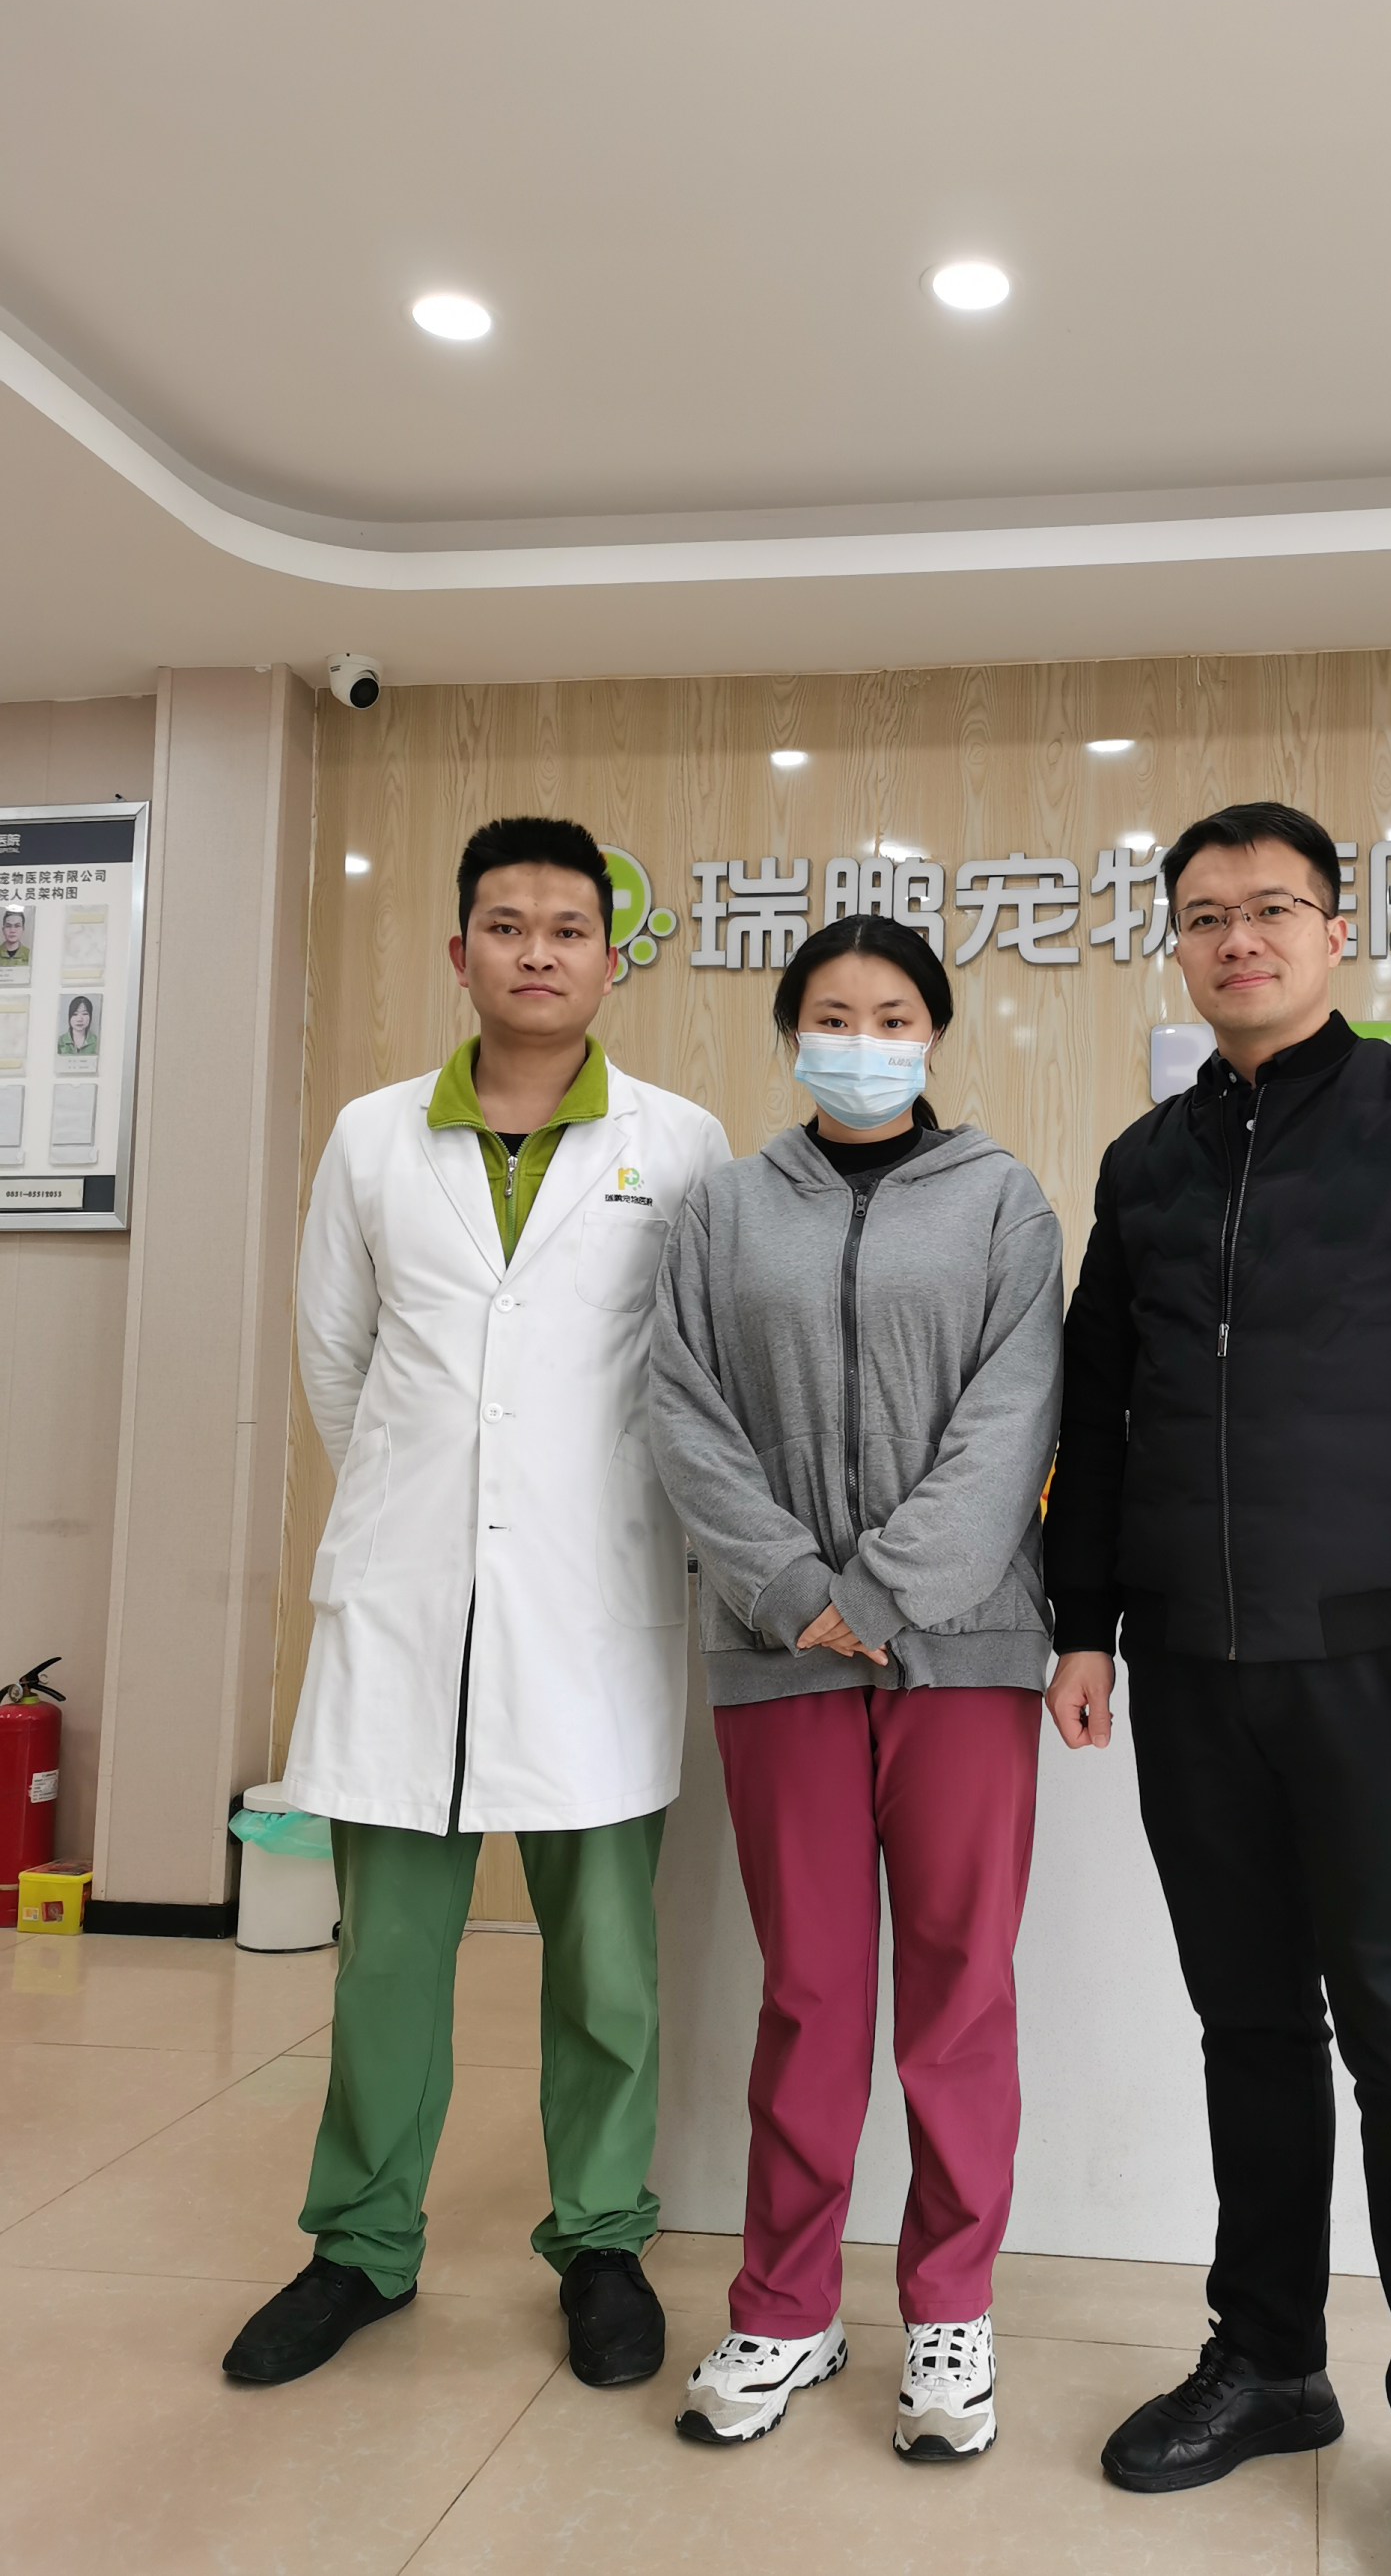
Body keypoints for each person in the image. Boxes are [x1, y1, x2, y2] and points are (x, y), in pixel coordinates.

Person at [1043, 801, 1391, 2576]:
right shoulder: (1148, 1158)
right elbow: (1099, 1401)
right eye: (1206, 914)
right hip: (1193, 1665)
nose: (1239, 937)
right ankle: (1270, 2357)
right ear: (1178, 946)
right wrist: (1085, 1619)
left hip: (1379, 1659)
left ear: (1336, 930)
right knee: (1249, 2028)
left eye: (1273, 907)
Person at [223, 816, 729, 2391]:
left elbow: (701, 1365)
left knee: (606, 1965)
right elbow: (337, 1355)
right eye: (506, 926)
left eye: (567, 928)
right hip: (409, 1601)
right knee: (387, 1960)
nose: (536, 952)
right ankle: (361, 2244)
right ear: (460, 952)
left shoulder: (680, 1142)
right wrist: (431, 1498)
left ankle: (602, 2240)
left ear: (608, 958)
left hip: (594, 1606)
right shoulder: (374, 1136)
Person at [648, 914, 1063, 2462]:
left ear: (933, 1034)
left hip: (965, 1650)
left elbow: (1016, 1413)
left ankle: (950, 2309)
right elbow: (682, 1407)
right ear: (792, 1032)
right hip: (781, 1658)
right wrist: (790, 1587)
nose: (864, 1039)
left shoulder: (1004, 1201)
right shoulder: (724, 1208)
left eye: (894, 1015)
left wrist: (881, 1588)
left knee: (958, 1992)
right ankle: (785, 2305)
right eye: (834, 1013)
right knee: (810, 1990)